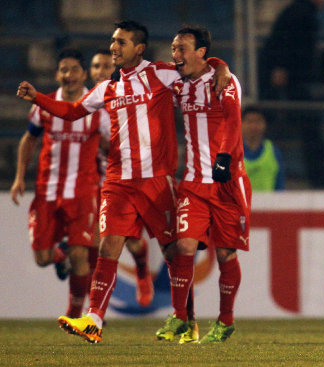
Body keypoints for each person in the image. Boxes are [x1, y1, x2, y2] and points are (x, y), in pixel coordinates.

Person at [16, 20, 230, 344]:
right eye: (113, 41)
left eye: (121, 42)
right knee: (108, 247)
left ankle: (187, 320)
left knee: (175, 253)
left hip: (156, 181)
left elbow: (196, 67)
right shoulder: (107, 88)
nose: (114, 47)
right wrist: (38, 98)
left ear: (139, 49)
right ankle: (94, 320)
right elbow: (73, 110)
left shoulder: (161, 73)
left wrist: (221, 66)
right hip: (118, 182)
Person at [156, 24, 251, 344]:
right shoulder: (178, 83)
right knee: (182, 246)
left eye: (182, 48)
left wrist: (224, 156)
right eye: (173, 48)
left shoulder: (223, 80)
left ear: (201, 53)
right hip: (194, 182)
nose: (175, 55)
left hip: (227, 180)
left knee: (226, 255)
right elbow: (148, 71)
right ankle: (179, 317)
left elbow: (233, 119)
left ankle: (225, 321)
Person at [10, 48, 103, 320]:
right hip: (47, 190)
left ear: (84, 74)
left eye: (74, 69)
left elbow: (113, 145)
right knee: (41, 259)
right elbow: (29, 140)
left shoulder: (97, 108)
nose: (69, 75)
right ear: (57, 74)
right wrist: (18, 177)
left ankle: (74, 312)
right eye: (64, 69)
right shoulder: (44, 105)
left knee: (80, 253)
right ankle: (58, 256)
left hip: (83, 191)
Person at [89, 49, 153, 308]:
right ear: (89, 71)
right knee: (94, 244)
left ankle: (141, 271)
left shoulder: (125, 98)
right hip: (90, 184)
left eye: (106, 66)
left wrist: (104, 144)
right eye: (96, 66)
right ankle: (92, 306)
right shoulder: (87, 102)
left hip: (122, 181)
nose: (101, 71)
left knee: (133, 243)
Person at [258, 0, 324, 188]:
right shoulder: (301, 13)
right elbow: (285, 40)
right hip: (289, 78)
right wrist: (280, 67)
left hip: (291, 77)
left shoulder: (299, 11)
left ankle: (318, 176)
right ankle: (319, 178)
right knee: (304, 124)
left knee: (303, 124)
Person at [242, 105, 285, 191]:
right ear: (241, 124)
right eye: (249, 121)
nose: (253, 126)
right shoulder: (230, 153)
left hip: (269, 204)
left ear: (264, 124)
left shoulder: (274, 153)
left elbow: (280, 187)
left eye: (258, 121)